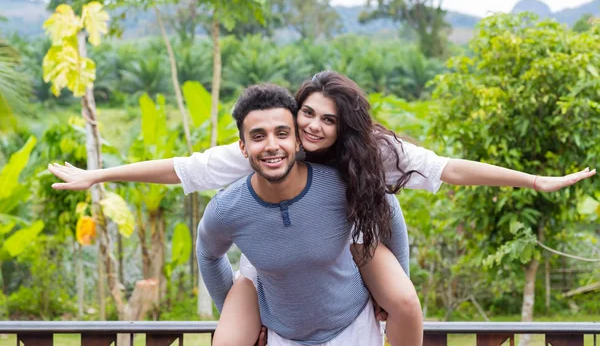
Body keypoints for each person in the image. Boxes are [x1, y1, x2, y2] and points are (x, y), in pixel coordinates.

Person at [48, 71, 596, 346]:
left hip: (347, 246)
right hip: (270, 258)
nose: (311, 128)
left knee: (403, 301)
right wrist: (99, 174)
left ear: (344, 126)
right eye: (306, 113)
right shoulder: (264, 151)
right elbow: (179, 170)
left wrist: (532, 181)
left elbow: (445, 172)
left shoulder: (367, 158)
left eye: (325, 120)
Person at [198, 83, 394, 345]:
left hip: (354, 327)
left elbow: (391, 216)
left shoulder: (341, 184)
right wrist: (234, 316)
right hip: (282, 335)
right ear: (243, 148)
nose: (271, 146)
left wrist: (389, 296)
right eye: (258, 137)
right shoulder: (227, 208)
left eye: (282, 133)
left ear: (297, 140)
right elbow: (207, 255)